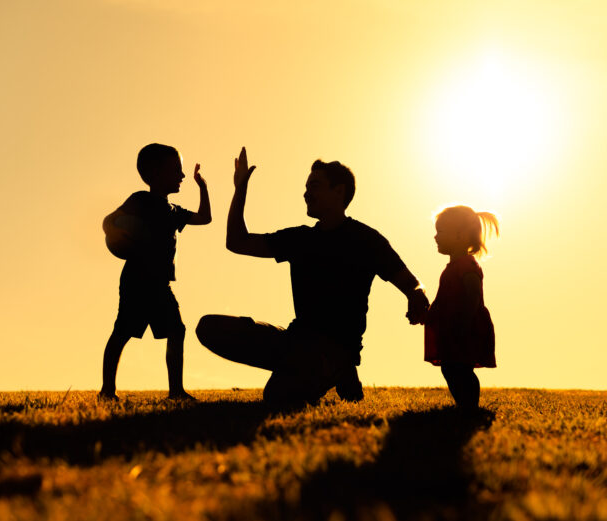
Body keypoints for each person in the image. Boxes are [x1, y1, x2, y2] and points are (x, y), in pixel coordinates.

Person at [196, 147, 429, 408]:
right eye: (306, 187)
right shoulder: (300, 239)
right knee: (209, 327)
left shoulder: (366, 239)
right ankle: (329, 373)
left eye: (315, 186)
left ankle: (339, 368)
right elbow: (237, 242)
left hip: (337, 346)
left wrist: (415, 295)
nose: (306, 193)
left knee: (277, 397)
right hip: (297, 341)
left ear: (339, 191)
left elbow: (410, 281)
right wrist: (241, 189)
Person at [99, 143, 211, 401]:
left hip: (160, 284)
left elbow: (205, 218)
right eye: (176, 170)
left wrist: (202, 187)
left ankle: (176, 392)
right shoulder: (140, 200)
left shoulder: (173, 212)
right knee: (122, 332)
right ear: (155, 173)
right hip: (137, 280)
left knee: (176, 330)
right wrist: (112, 231)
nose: (182, 176)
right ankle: (106, 391)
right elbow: (108, 219)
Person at [425, 205, 498, 410]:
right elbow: (445, 299)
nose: (435, 237)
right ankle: (464, 405)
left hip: (465, 325)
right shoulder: (454, 267)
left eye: (441, 232)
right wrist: (429, 315)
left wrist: (465, 321)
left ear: (461, 235)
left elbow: (473, 293)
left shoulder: (467, 266)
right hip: (453, 326)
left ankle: (470, 406)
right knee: (451, 367)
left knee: (461, 368)